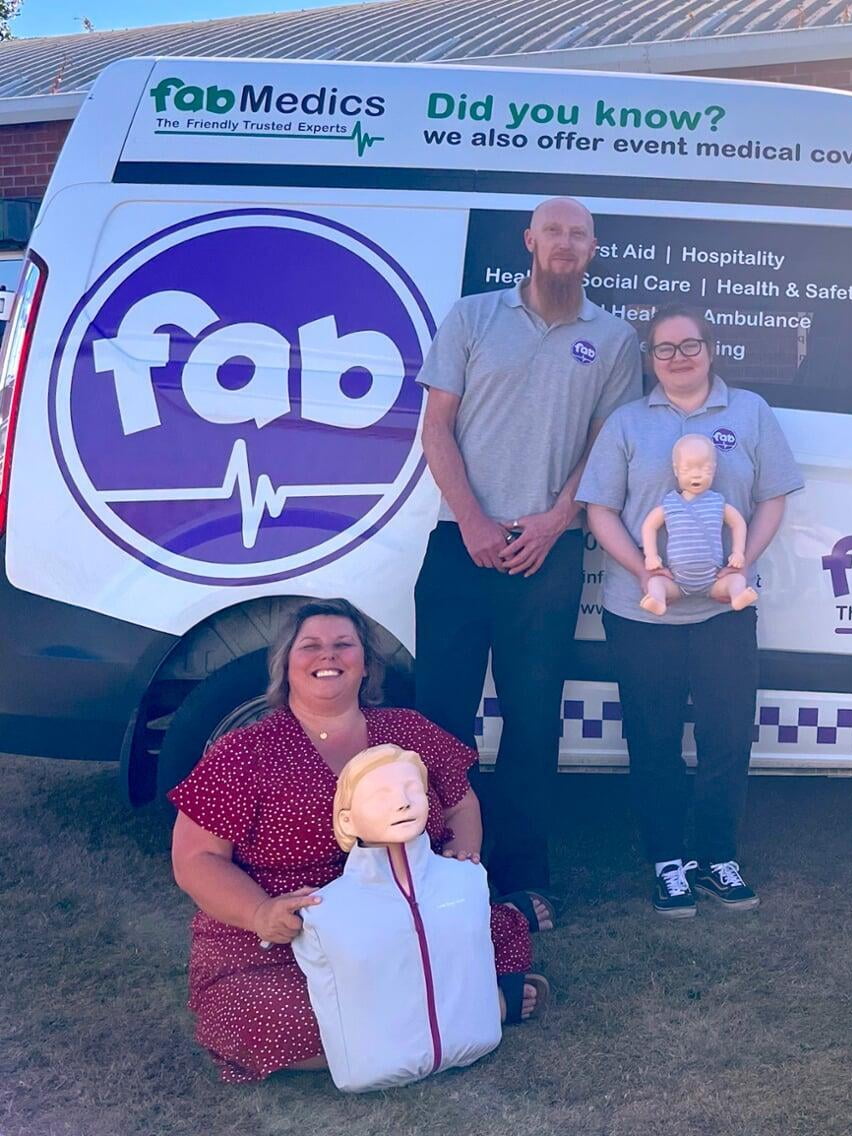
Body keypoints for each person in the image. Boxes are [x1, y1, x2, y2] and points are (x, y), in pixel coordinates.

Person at [168, 599, 543, 1083]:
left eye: (344, 645)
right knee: (251, 1015)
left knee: (497, 933)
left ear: (366, 664)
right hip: (291, 936)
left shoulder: (407, 731)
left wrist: (462, 858)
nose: (329, 656)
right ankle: (477, 1007)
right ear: (285, 664)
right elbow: (195, 859)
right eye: (312, 646)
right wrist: (262, 912)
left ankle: (414, 1021)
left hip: (408, 920)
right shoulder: (244, 751)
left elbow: (461, 803)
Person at [414, 197, 640, 926]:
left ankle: (521, 878)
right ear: (530, 241)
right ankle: (432, 868)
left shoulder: (614, 337)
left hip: (548, 550)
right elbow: (436, 427)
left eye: (579, 234)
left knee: (535, 718)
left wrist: (555, 521)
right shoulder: (474, 316)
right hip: (460, 542)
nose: (566, 243)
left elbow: (606, 447)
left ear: (592, 248)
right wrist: (475, 522)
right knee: (441, 714)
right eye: (555, 232)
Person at [577, 305, 805, 918]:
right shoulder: (627, 423)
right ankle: (668, 862)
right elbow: (599, 509)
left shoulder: (750, 412)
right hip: (642, 613)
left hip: (725, 614)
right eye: (664, 348)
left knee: (727, 737)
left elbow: (772, 498)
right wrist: (646, 570)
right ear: (649, 359)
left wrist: (740, 565)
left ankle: (717, 856)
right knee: (652, 741)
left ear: (711, 348)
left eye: (690, 344)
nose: (678, 357)